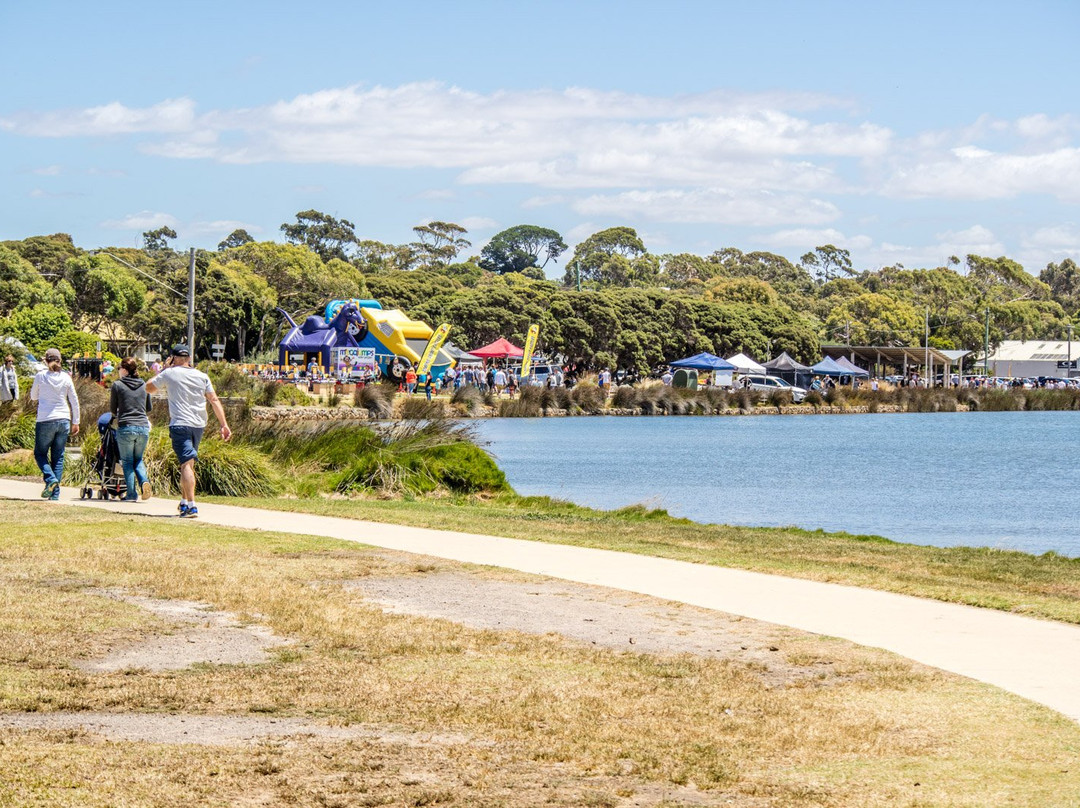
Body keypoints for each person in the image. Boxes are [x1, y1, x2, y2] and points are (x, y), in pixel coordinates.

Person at [146, 344, 231, 518]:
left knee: (185, 464)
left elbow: (148, 388)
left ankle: (192, 505)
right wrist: (224, 425)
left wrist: (163, 369)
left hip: (180, 424)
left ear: (173, 358)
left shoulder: (169, 373)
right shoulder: (202, 376)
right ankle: (184, 503)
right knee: (189, 464)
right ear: (189, 358)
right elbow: (214, 400)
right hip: (199, 424)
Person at [30, 348, 80, 500]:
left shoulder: (41, 376)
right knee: (58, 456)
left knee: (40, 453)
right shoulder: (66, 377)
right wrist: (76, 421)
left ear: (46, 360)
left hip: (45, 418)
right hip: (64, 418)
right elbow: (74, 400)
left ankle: (51, 480)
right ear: (60, 360)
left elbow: (33, 396)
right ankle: (55, 494)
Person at [110, 357, 153, 501]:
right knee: (138, 459)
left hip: (126, 427)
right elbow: (149, 408)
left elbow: (113, 410)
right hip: (143, 427)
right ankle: (144, 481)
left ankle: (131, 493)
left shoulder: (117, 385)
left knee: (127, 461)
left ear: (124, 369)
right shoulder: (144, 385)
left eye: (119, 369)